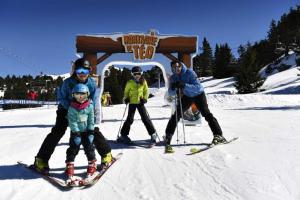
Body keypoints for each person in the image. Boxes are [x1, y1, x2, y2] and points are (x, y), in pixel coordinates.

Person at [34, 58, 112, 174]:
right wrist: (72, 107)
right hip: (66, 109)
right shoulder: (68, 83)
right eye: (79, 71)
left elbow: (93, 99)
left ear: (89, 72)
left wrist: (90, 112)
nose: (82, 74)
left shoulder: (91, 83)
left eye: (85, 71)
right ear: (75, 71)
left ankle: (106, 154)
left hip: (83, 109)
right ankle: (41, 159)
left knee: (91, 130)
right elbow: (61, 98)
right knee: (58, 131)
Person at [165, 60, 227, 153]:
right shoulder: (173, 77)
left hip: (198, 95)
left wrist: (184, 85)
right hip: (187, 96)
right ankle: (168, 136)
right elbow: (170, 92)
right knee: (176, 115)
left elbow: (198, 87)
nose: (176, 69)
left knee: (206, 114)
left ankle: (219, 135)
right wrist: (174, 88)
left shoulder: (190, 72)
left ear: (181, 66)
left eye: (178, 66)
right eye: (174, 67)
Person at [117, 66, 158, 144]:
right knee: (130, 119)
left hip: (140, 102)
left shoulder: (143, 81)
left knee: (145, 118)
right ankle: (123, 135)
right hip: (132, 102)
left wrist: (145, 99)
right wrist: (126, 98)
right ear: (132, 74)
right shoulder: (129, 82)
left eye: (138, 74)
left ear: (141, 74)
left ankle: (153, 134)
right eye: (135, 74)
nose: (137, 75)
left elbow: (146, 91)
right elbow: (126, 92)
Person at [65, 83, 97, 178]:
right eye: (77, 95)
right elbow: (72, 121)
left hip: (86, 131)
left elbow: (91, 119)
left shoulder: (90, 106)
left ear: (87, 95)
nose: (80, 97)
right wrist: (76, 132)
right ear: (73, 95)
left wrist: (91, 131)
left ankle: (92, 163)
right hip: (76, 132)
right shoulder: (72, 108)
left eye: (83, 94)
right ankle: (70, 164)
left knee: (89, 148)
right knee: (73, 148)